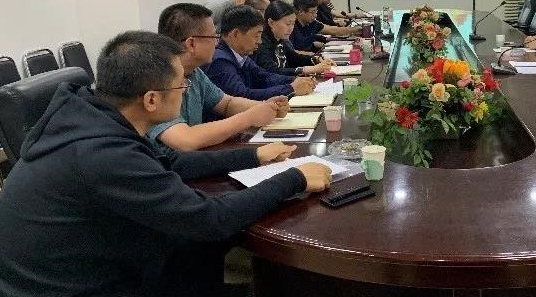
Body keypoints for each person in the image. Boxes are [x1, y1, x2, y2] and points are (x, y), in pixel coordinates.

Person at [0, 30, 332, 297]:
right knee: (208, 235)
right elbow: (210, 218)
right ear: (151, 99)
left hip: (93, 257)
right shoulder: (102, 154)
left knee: (204, 244)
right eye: (182, 84)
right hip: (72, 287)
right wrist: (294, 178)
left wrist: (253, 155)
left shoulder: (92, 114)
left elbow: (169, 160)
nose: (186, 89)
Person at [153, 3, 289, 151]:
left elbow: (226, 103)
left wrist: (266, 107)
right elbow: (185, 139)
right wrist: (249, 118)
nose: (217, 43)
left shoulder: (195, 72)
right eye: (214, 37)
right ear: (191, 44)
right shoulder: (156, 78)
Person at [205, 5, 316, 100]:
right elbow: (241, 95)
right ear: (236, 34)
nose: (260, 41)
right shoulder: (220, 61)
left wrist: (295, 80)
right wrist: (290, 89)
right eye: (256, 35)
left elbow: (264, 77)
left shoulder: (241, 55)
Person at [254, 0, 335, 76]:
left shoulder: (280, 39)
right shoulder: (261, 43)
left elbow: (293, 57)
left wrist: (315, 59)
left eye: (293, 24)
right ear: (271, 22)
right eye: (288, 24)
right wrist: (305, 70)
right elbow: (272, 71)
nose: (291, 28)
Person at [290, 0, 361, 52]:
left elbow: (333, 30)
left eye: (316, 12)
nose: (315, 15)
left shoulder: (311, 22)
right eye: (313, 12)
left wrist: (355, 29)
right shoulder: (290, 27)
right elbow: (291, 52)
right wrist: (313, 57)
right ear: (301, 12)